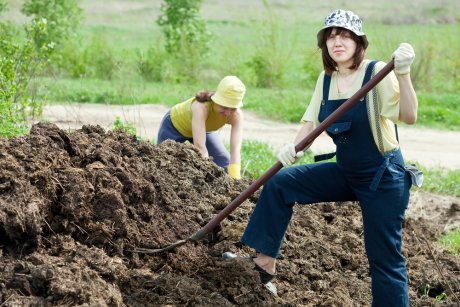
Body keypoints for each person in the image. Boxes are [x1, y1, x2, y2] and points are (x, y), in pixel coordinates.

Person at [239, 9, 418, 306]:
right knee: (281, 183)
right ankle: (263, 265)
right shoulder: (326, 79)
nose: (338, 41)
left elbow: (409, 116)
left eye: (345, 35)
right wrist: (293, 148)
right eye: (331, 36)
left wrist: (403, 74)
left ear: (359, 42)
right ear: (324, 44)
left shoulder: (377, 73)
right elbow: (309, 123)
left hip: (383, 178)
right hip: (347, 172)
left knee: (384, 256)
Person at [157, 76, 246, 179]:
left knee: (224, 161)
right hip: (174, 127)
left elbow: (235, 151)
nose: (228, 113)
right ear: (216, 100)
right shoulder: (201, 107)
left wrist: (236, 180)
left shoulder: (237, 116)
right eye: (225, 107)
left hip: (204, 131)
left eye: (233, 108)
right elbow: (200, 147)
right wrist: (206, 178)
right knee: (164, 164)